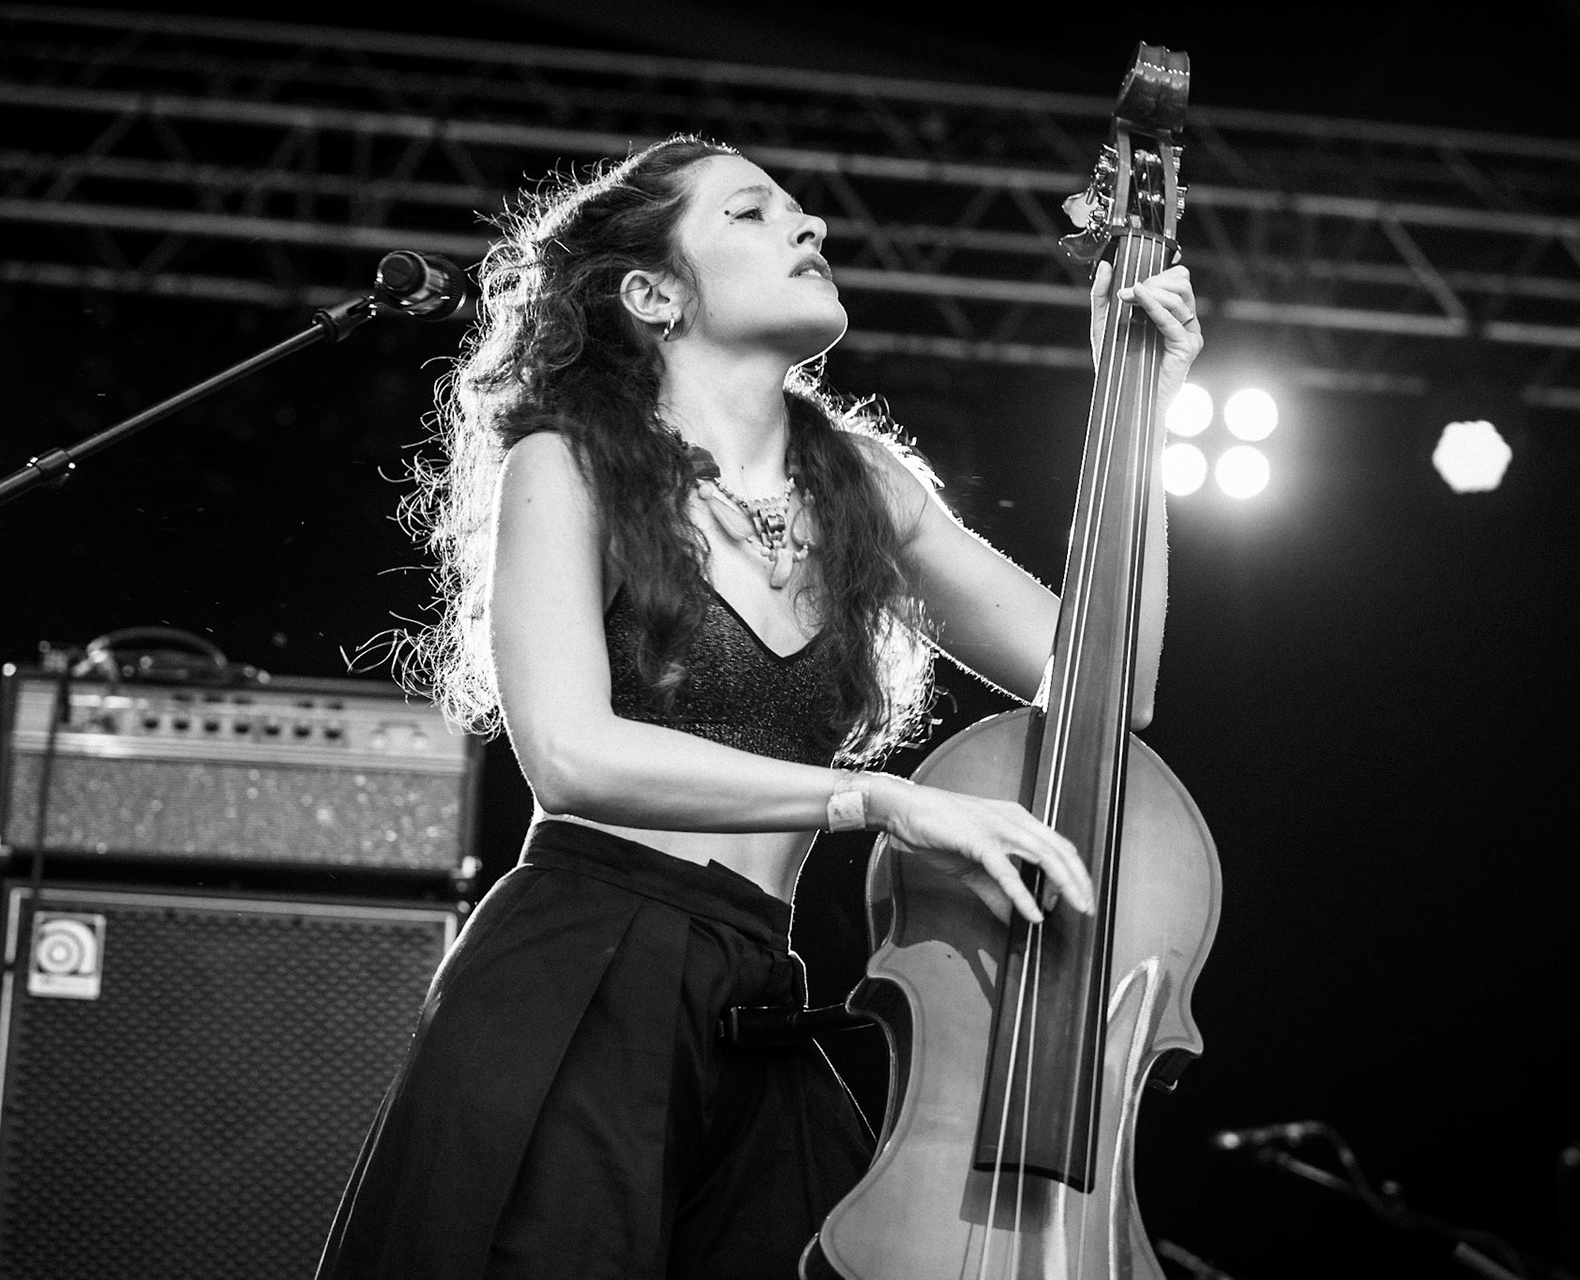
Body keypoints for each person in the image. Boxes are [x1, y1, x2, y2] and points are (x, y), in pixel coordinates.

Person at [316, 134, 1202, 1280]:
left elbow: (1105, 683)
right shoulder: (570, 459)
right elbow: (573, 757)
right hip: (582, 969)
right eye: (751, 213)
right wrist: (873, 798)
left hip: (758, 995)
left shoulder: (866, 485)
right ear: (651, 293)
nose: (810, 227)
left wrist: (1139, 410)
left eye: (799, 211)